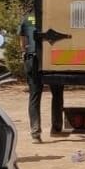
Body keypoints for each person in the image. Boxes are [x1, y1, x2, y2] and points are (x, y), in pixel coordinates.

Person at [18, 11, 64, 142]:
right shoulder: (54, 15)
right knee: (57, 93)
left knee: (34, 96)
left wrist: (24, 53)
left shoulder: (26, 19)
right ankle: (56, 127)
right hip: (53, 58)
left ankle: (35, 132)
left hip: (33, 59)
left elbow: (22, 43)